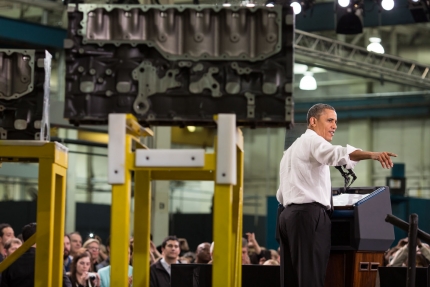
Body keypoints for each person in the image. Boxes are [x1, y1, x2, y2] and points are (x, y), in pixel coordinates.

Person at [276, 103, 397, 287]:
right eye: (330, 120)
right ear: (313, 121)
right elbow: (336, 154)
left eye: (336, 121)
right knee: (310, 279)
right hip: (308, 216)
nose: (335, 126)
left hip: (286, 217)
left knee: (292, 279)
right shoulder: (313, 141)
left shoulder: (291, 150)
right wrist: (372, 154)